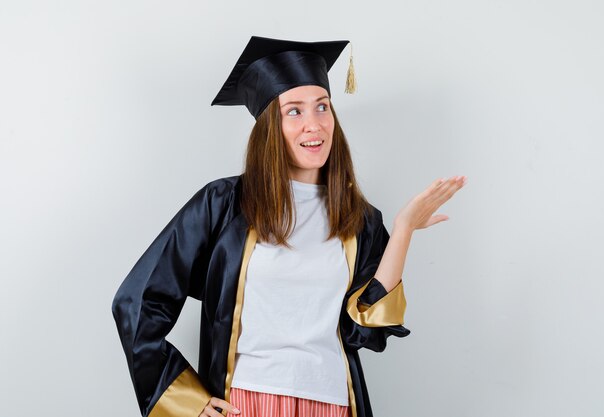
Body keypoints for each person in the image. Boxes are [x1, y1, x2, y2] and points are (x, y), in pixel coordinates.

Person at [112, 36, 466, 417]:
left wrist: (403, 230)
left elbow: (364, 330)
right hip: (246, 400)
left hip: (332, 403)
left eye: (322, 107)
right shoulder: (224, 203)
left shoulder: (359, 219)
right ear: (270, 127)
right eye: (293, 112)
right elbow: (136, 302)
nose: (314, 125)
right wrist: (187, 402)